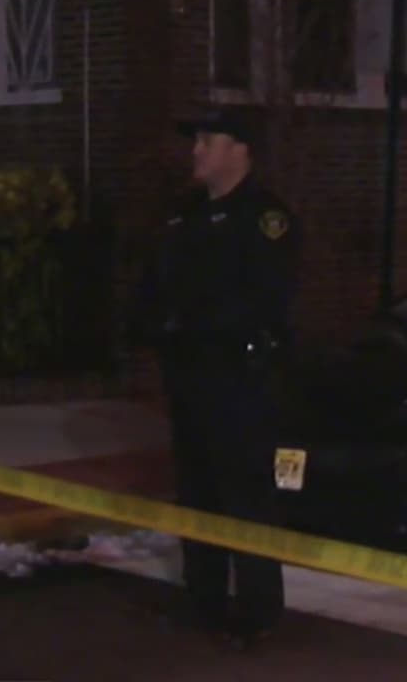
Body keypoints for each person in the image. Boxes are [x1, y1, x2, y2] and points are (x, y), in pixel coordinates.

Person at [132, 106, 300, 649]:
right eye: (196, 140)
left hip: (239, 380)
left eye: (208, 140)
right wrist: (152, 329)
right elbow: (154, 287)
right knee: (197, 492)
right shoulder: (185, 216)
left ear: (239, 149)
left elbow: (264, 300)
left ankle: (257, 609)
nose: (196, 150)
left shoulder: (265, 219)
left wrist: (197, 323)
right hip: (189, 378)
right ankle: (203, 600)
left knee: (246, 496)